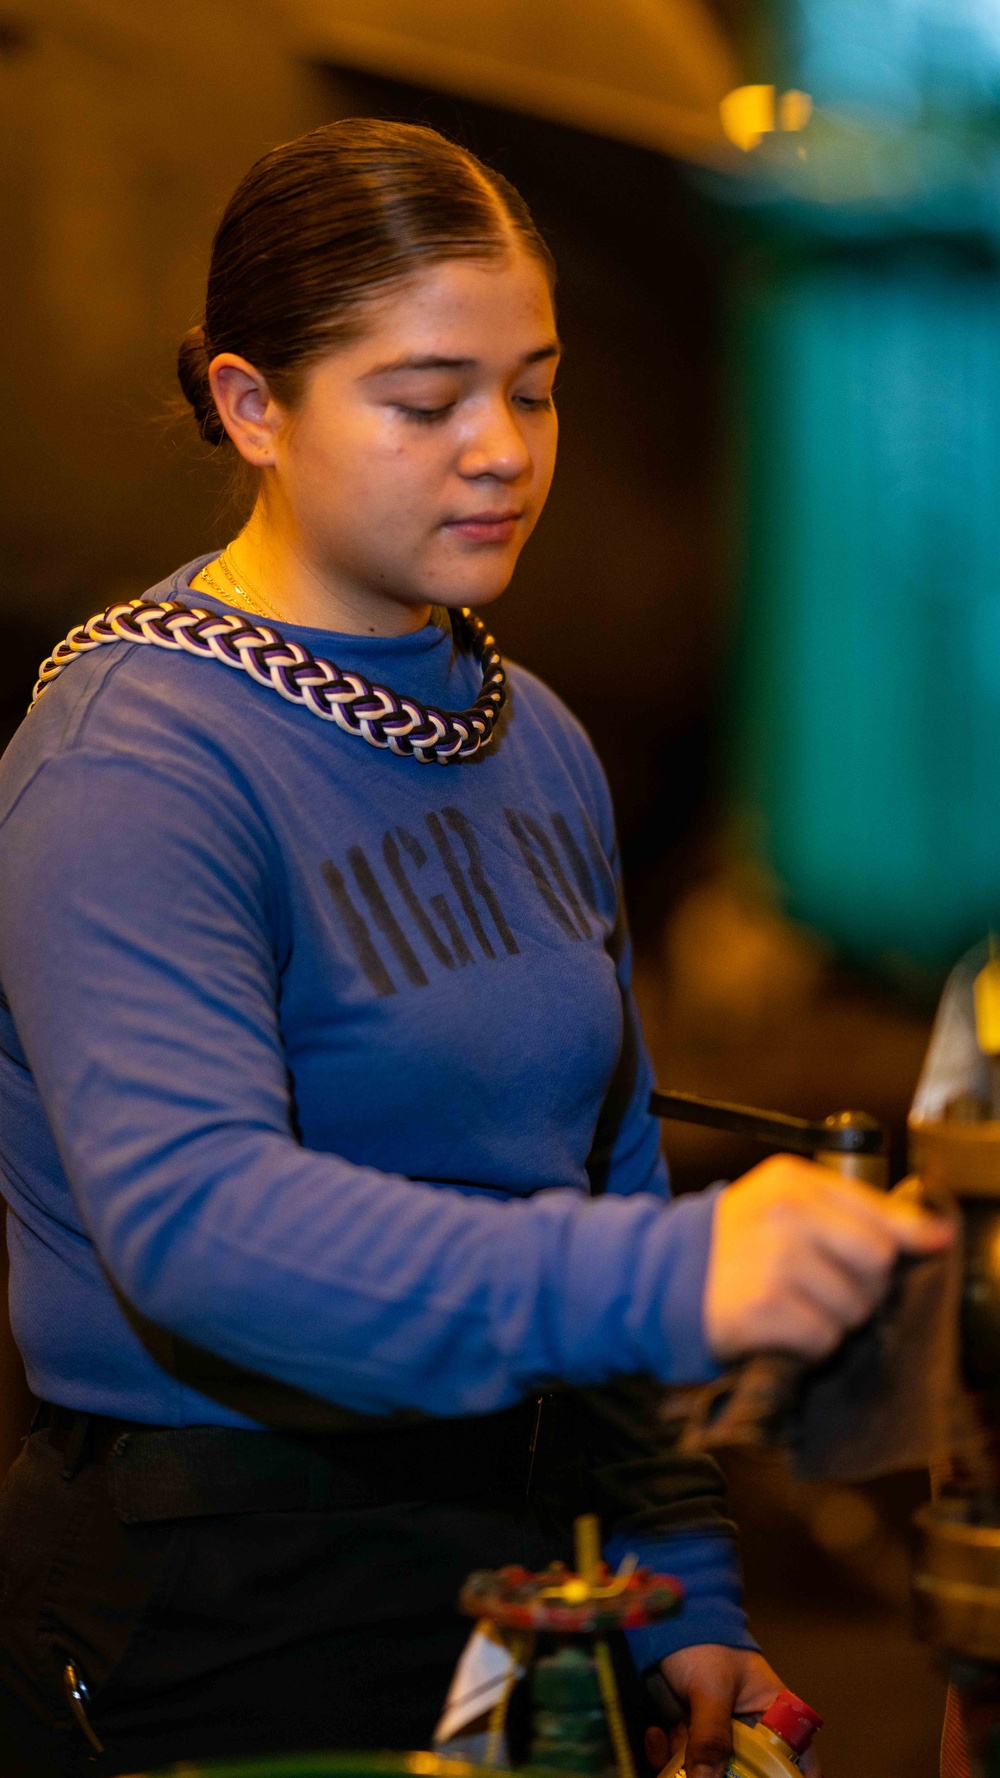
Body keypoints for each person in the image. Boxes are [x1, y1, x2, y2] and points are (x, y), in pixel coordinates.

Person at [0, 119, 950, 1778]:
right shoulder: (132, 759)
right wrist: (671, 1278)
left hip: (526, 1574)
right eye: (426, 400)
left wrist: (683, 1593)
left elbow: (603, 1179)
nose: (503, 448)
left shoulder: (536, 736)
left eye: (537, 385)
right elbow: (195, 1226)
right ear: (252, 406)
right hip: (221, 1600)